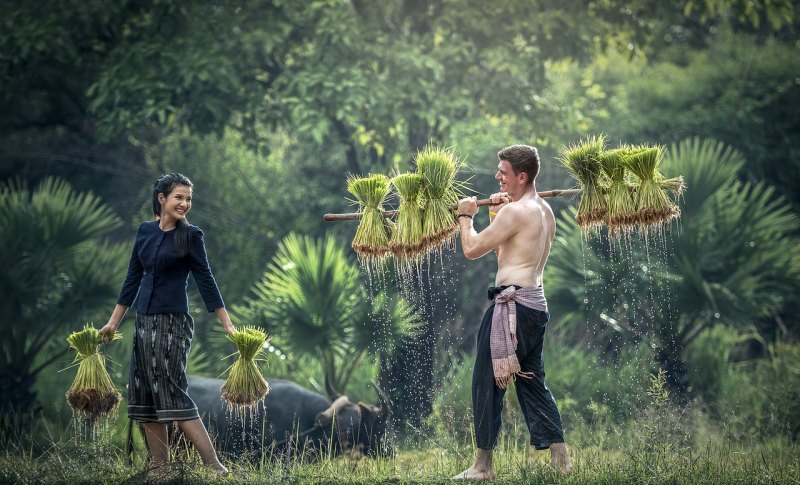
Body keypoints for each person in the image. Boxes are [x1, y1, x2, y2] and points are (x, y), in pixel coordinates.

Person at [99, 173, 235, 474]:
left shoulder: (191, 236)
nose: (185, 204)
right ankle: (160, 469)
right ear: (162, 198)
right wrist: (113, 323)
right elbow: (132, 279)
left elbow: (206, 281)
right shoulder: (145, 232)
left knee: (171, 391)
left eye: (188, 198)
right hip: (144, 322)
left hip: (173, 324)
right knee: (144, 392)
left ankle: (215, 467)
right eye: (179, 197)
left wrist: (227, 325)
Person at [453, 145, 572, 479]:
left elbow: (473, 249)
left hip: (511, 308)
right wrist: (494, 216)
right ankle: (562, 462)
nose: (497, 177)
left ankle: (482, 466)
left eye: (503, 172)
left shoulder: (515, 212)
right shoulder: (543, 211)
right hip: (535, 306)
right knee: (533, 383)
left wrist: (466, 216)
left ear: (522, 176)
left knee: (486, 382)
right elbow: (510, 255)